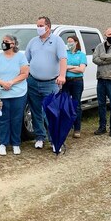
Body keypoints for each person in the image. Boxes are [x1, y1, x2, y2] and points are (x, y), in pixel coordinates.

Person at [25, 17, 67, 149]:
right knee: (36, 111)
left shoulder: (57, 41)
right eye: (37, 25)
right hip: (33, 81)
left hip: (50, 83)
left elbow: (63, 59)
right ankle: (39, 137)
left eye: (40, 25)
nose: (38, 27)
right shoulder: (33, 42)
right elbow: (26, 60)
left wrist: (62, 75)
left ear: (48, 26)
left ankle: (55, 141)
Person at [0, 34, 29, 155]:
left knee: (16, 119)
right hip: (0, 94)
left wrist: (11, 82)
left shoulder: (21, 57)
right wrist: (1, 83)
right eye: (3, 41)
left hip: (18, 93)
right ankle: (3, 143)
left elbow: (24, 73)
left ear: (13, 44)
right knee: (2, 119)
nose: (3, 43)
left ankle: (16, 143)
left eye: (6, 41)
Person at [63, 34, 87, 138]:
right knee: (65, 104)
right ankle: (66, 127)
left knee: (76, 105)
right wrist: (74, 67)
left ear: (76, 42)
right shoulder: (65, 54)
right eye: (68, 41)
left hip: (77, 82)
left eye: (71, 41)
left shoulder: (81, 55)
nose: (69, 43)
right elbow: (62, 67)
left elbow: (81, 69)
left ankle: (77, 129)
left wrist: (68, 67)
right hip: (66, 81)